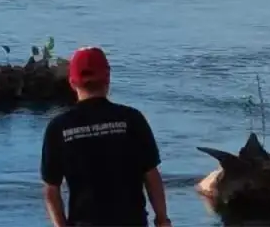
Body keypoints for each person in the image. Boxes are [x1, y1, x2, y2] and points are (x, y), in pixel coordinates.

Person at [40, 47, 171, 227]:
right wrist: (162, 219)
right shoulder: (132, 119)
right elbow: (151, 176)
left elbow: (51, 190)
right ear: (107, 79)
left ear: (72, 83)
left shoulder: (58, 128)